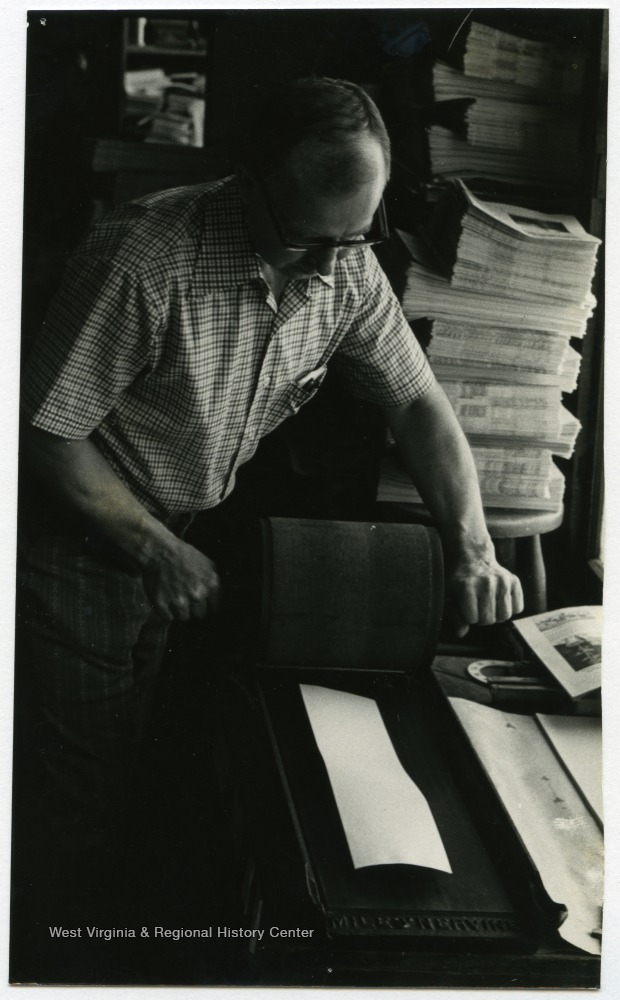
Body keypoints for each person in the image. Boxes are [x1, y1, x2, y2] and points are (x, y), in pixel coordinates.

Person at [15, 76, 523, 914]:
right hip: (75, 533)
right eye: (308, 238)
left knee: (129, 748)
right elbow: (45, 433)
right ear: (249, 182)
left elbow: (417, 403)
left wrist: (473, 547)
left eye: (357, 235)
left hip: (169, 524)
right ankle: (63, 943)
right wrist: (156, 548)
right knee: (84, 777)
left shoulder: (344, 261)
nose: (331, 266)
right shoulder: (145, 259)